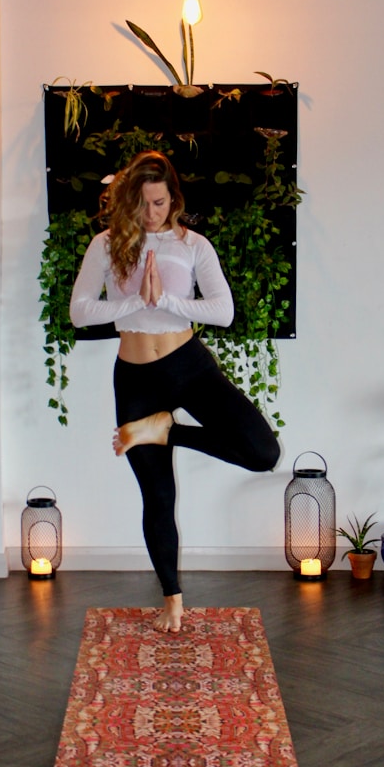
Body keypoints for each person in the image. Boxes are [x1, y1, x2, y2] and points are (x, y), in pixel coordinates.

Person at [70, 151, 280, 633]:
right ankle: (172, 598)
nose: (152, 214)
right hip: (136, 376)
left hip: (189, 366)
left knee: (263, 451)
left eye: (160, 203)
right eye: (143, 204)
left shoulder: (193, 245)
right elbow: (80, 312)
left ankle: (167, 431)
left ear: (173, 197)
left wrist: (162, 299)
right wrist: (129, 303)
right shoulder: (105, 245)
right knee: (158, 496)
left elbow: (222, 312)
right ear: (128, 200)